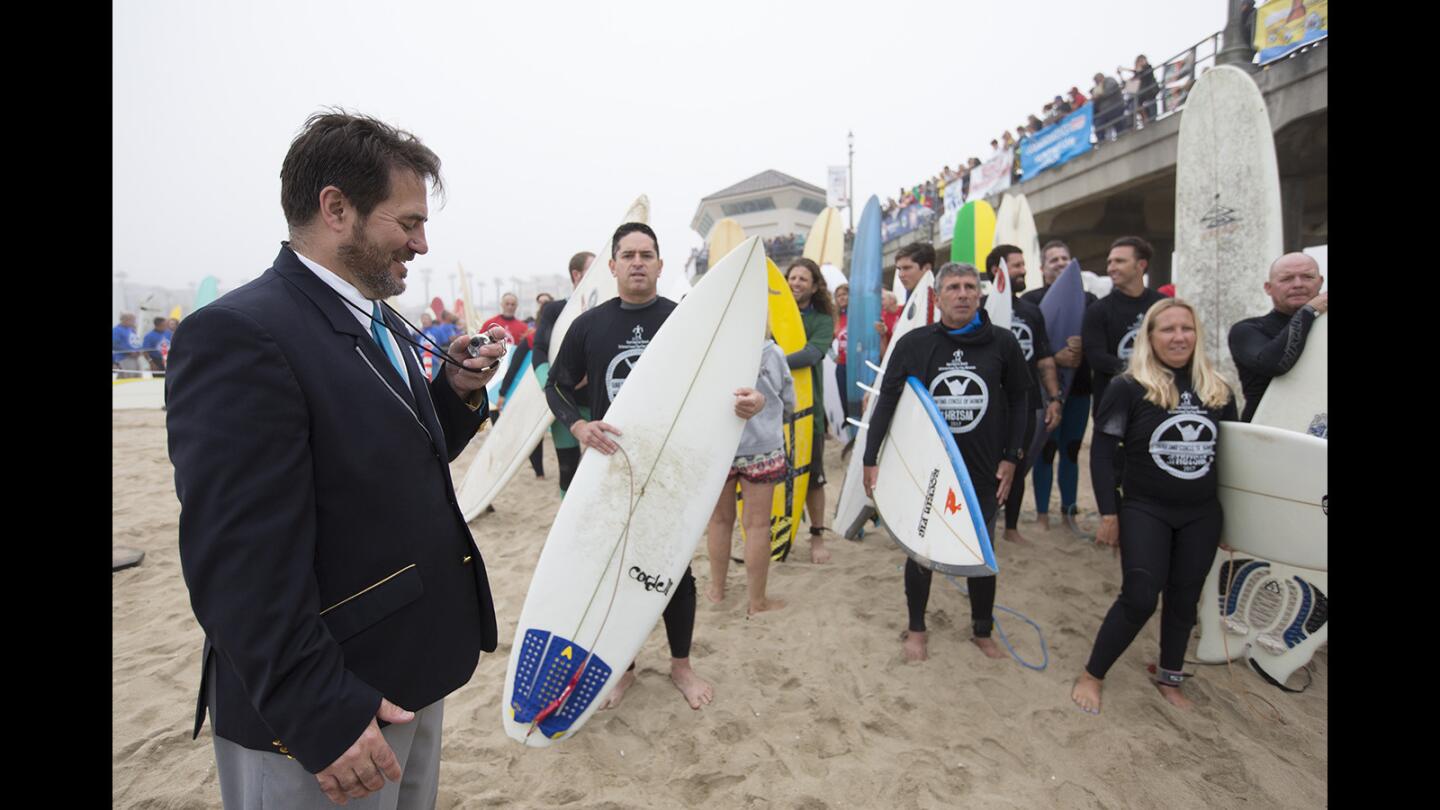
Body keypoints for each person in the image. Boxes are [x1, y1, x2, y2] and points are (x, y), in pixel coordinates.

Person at [167, 110, 505, 808]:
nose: (421, 242)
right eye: (407, 221)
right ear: (336, 208)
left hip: (407, 672)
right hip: (326, 713)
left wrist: (454, 390)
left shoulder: (371, 315)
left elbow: (385, 456)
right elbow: (237, 562)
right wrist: (320, 713)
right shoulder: (240, 335)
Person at [545, 222, 765, 711]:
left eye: (647, 254)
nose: (638, 262)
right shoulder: (589, 325)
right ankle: (621, 668)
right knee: (612, 566)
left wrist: (751, 401)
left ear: (661, 265)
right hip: (614, 465)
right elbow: (556, 386)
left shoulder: (688, 319)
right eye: (629, 255)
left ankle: (681, 665)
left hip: (673, 466)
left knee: (673, 569)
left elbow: (729, 383)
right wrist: (580, 428)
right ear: (614, 265)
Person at [1070, 298, 1238, 714]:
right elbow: (1103, 454)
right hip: (1146, 508)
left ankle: (1169, 676)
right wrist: (1109, 512)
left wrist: (1238, 526)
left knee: (1185, 600)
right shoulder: (1128, 387)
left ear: (1197, 334)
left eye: (1186, 328)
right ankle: (1092, 674)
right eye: (1168, 329)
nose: (1178, 337)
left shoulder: (1217, 389)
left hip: (1201, 513)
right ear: (1149, 337)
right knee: (1141, 597)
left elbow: (1236, 464)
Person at [862, 262, 1030, 661]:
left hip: (983, 466)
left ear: (980, 294)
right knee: (921, 549)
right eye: (953, 287)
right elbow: (887, 401)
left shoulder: (1002, 344)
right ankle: (917, 629)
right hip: (929, 466)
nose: (963, 294)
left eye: (970, 286)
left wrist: (1012, 457)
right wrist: (871, 457)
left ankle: (982, 629)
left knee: (982, 549)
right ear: (938, 296)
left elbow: (1022, 400)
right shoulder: (915, 343)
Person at [706, 332, 795, 615]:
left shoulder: (711, 348)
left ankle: (717, 591)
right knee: (756, 525)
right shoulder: (772, 353)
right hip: (762, 447)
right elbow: (788, 398)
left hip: (719, 445)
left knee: (719, 522)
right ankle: (757, 602)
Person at [985, 245, 1063, 545]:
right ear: (997, 270)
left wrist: (1055, 398)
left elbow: (1044, 359)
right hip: (988, 405)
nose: (1023, 271)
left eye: (1022, 265)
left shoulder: (1031, 312)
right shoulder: (980, 309)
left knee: (1015, 461)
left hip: (1025, 403)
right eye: (1016, 266)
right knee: (984, 463)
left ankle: (1012, 527)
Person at [1083, 237, 1165, 513]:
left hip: (1159, 403)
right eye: (1109, 261)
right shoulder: (1099, 310)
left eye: (1119, 261)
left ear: (1141, 265)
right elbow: (1096, 357)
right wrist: (1142, 370)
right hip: (1113, 405)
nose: (1111, 267)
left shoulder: (1163, 307)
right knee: (1115, 469)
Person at [1024, 240, 1098, 538]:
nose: (1060, 263)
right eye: (1053, 259)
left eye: (1065, 258)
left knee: (1071, 450)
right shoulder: (1030, 302)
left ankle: (1069, 513)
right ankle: (1041, 514)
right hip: (1042, 392)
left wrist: (1084, 351)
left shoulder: (1090, 300)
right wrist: (1055, 357)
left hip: (1079, 390)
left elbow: (1099, 347)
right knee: (1044, 449)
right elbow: (1024, 350)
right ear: (1042, 268)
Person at [1228, 253, 1327, 422]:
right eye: (1287, 279)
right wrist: (1308, 312)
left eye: (1307, 277)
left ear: (1321, 282)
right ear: (1268, 288)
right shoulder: (1247, 330)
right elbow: (1275, 364)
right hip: (1269, 433)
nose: (1298, 284)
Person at [783, 258, 836, 564]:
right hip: (771, 411)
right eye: (792, 278)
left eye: (804, 279)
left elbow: (811, 355)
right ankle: (779, 535)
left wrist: (771, 356)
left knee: (813, 478)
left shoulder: (822, 321)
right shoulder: (772, 316)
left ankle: (816, 535)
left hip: (808, 413)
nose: (796, 283)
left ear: (815, 286)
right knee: (775, 479)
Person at [531, 250, 595, 496]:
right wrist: (551, 383)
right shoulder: (555, 310)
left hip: (598, 400)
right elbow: (539, 349)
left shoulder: (608, 310)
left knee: (598, 465)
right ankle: (566, 519)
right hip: (566, 402)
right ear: (576, 275)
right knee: (568, 466)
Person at [832, 282, 850, 421]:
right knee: (846, 402)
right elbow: (827, 341)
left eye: (844, 294)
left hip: (858, 366)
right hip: (842, 366)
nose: (842, 298)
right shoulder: (837, 318)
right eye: (838, 296)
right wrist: (833, 356)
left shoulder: (859, 315)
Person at [113, 312, 142, 377]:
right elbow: (115, 345)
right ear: (125, 320)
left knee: (138, 377)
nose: (134, 322)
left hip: (135, 358)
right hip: (124, 358)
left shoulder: (131, 330)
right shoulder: (116, 330)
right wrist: (129, 352)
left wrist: (139, 350)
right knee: (128, 377)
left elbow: (136, 342)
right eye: (133, 320)